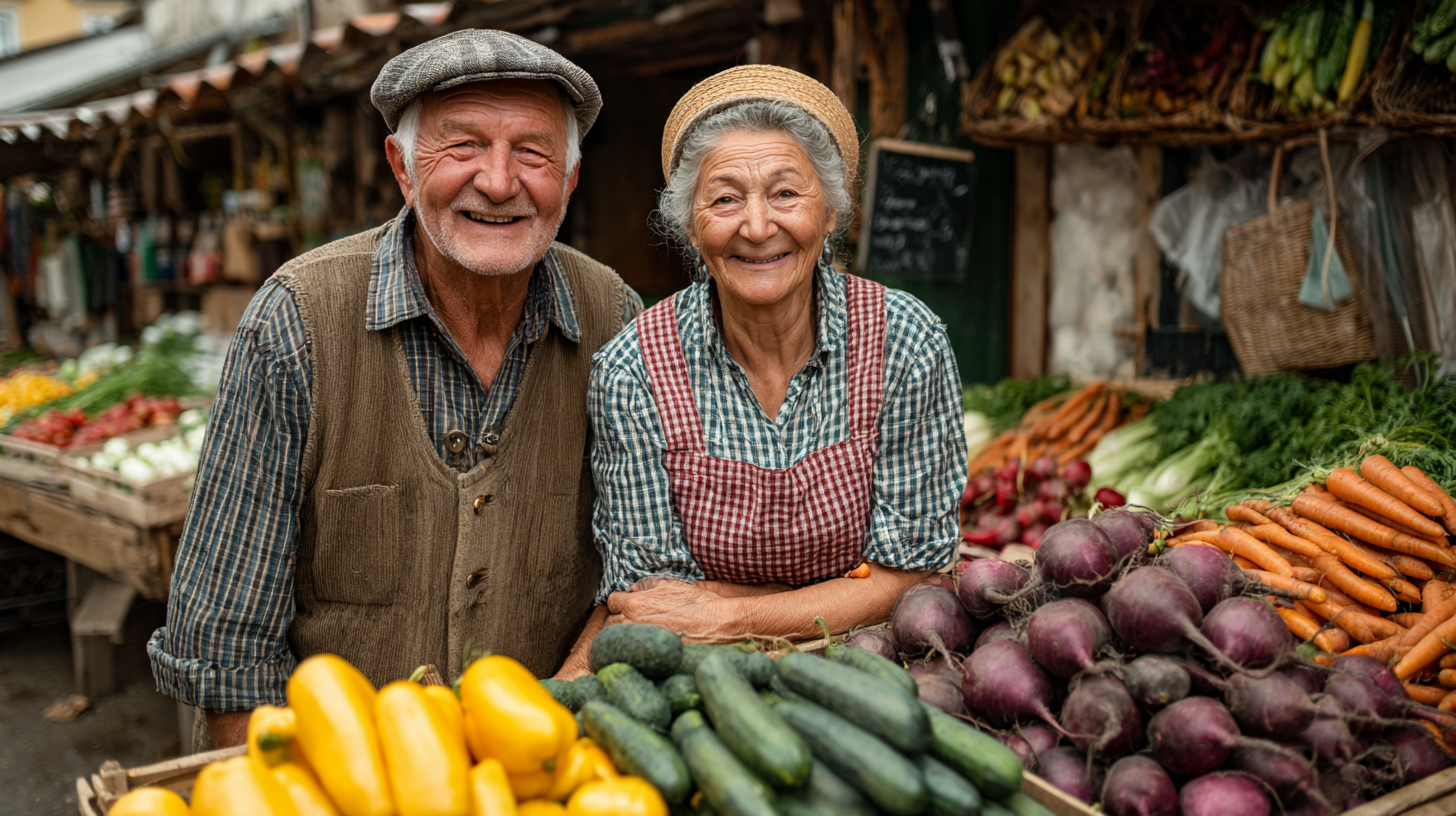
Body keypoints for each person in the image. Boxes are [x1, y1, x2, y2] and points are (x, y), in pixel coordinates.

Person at [148, 29, 640, 748]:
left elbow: (638, 573)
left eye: (532, 153)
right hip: (345, 772)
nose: (498, 181)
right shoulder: (297, 322)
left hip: (541, 767)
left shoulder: (614, 319)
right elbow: (227, 648)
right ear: (403, 168)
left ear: (568, 180)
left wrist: (554, 721)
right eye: (463, 146)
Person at [556, 66, 965, 677]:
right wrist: (850, 589)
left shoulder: (905, 343)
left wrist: (732, 614)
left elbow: (916, 572)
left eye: (786, 193)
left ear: (831, 213)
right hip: (707, 677)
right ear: (691, 226)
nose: (756, 226)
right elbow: (655, 602)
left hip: (877, 670)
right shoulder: (633, 369)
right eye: (724, 199)